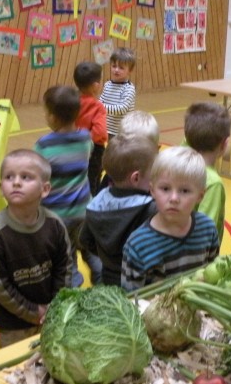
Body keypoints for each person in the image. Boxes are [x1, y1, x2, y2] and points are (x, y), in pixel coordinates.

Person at [0, 150, 73, 348]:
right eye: (9, 177)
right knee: (16, 364)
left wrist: (55, 306)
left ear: (45, 189)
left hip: (52, 316)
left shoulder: (55, 225)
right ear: (0, 187)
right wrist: (32, 311)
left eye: (25, 177)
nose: (16, 182)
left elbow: (64, 268)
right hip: (13, 324)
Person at [122, 146, 220, 291]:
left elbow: (212, 276)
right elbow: (130, 298)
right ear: (152, 190)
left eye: (184, 191)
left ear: (200, 196)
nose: (174, 198)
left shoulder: (208, 230)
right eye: (165, 189)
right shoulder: (138, 245)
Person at [34, 85, 102, 286]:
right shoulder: (85, 138)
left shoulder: (44, 145)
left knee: (67, 256)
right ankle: (102, 281)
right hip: (84, 211)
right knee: (91, 250)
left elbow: (37, 174)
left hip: (59, 216)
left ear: (53, 118)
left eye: (46, 112)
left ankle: (73, 290)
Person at [80, 134, 158, 286]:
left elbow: (85, 240)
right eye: (154, 173)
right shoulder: (150, 208)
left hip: (109, 276)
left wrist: (105, 255)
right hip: (142, 281)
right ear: (136, 178)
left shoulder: (96, 203)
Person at [184, 101, 230, 244]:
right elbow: (204, 232)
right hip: (198, 253)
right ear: (224, 144)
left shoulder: (177, 161)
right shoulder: (212, 183)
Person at [73, 61, 107, 194]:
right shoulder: (97, 107)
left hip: (73, 146)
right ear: (95, 86)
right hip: (93, 151)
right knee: (92, 182)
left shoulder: (71, 101)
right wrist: (87, 142)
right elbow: (100, 132)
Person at [101, 47, 137, 139]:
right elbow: (101, 101)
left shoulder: (129, 88)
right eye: (114, 66)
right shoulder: (107, 85)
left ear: (130, 70)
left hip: (123, 131)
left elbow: (121, 109)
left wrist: (99, 106)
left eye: (121, 68)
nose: (116, 70)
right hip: (107, 129)